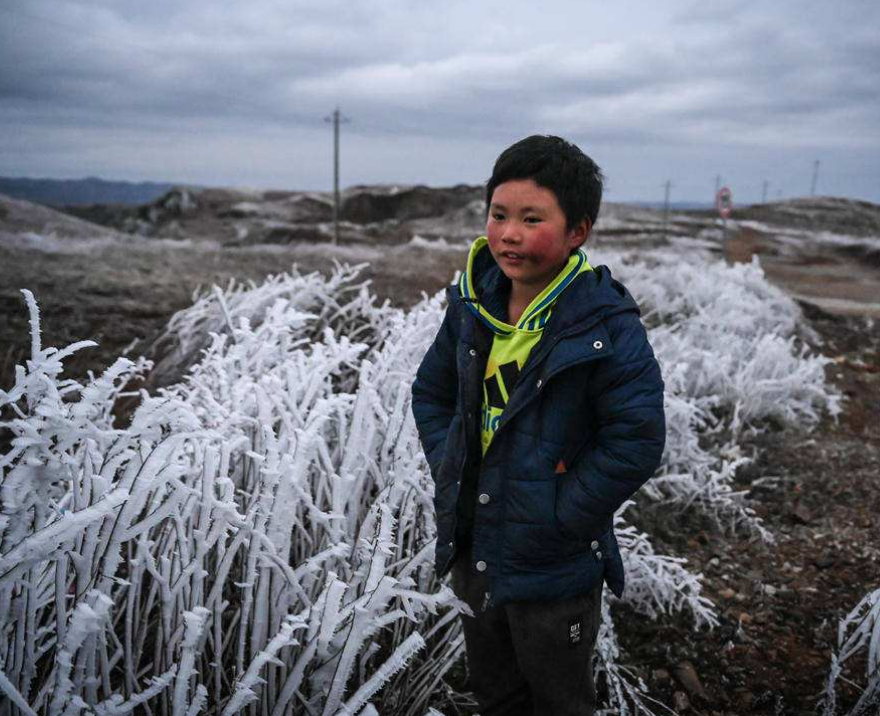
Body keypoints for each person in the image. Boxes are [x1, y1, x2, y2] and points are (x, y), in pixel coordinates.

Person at [410, 135, 666, 716]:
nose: (509, 235)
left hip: (554, 566)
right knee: (495, 690)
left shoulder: (605, 324)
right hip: (475, 544)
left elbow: (636, 439)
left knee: (558, 698)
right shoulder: (472, 306)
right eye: (498, 215)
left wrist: (561, 516)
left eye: (532, 219)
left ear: (578, 230)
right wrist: (453, 465)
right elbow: (432, 394)